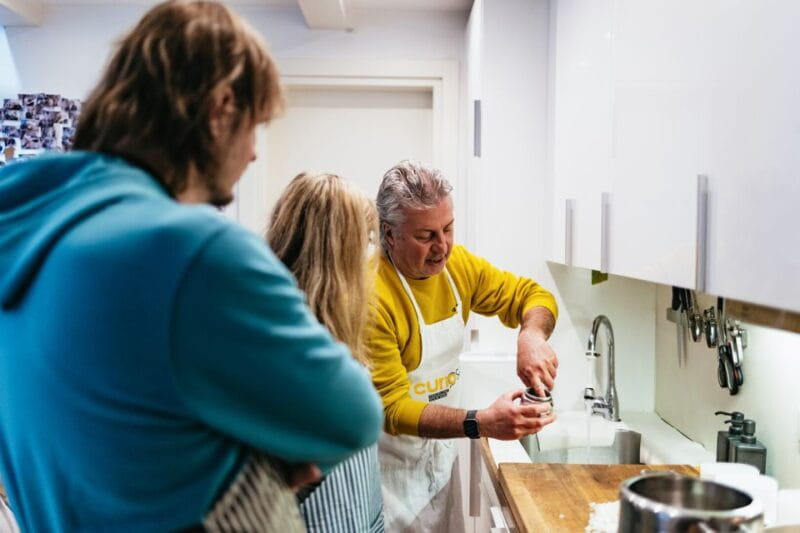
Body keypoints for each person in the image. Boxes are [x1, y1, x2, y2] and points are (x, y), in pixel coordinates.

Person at [0, 2, 382, 531]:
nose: (252, 153)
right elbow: (355, 416)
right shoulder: (188, 251)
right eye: (255, 126)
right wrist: (269, 457)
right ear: (222, 106)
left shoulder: (24, 231)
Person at [368, 160, 559, 532]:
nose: (442, 247)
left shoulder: (458, 267)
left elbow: (531, 295)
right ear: (390, 235)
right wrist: (481, 421)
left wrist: (531, 335)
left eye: (448, 228)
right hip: (388, 474)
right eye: (426, 236)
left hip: (439, 457)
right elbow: (392, 409)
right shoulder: (372, 294)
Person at [267, 172, 385, 532]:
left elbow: (363, 482)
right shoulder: (289, 354)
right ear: (339, 255)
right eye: (364, 242)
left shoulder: (338, 340)